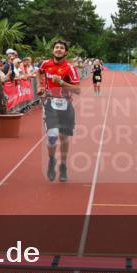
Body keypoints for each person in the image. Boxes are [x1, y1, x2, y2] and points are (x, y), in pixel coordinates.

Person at [36, 40, 81, 183]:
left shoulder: (70, 68)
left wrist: (62, 82)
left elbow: (78, 90)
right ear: (53, 50)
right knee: (52, 137)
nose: (59, 49)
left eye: (62, 48)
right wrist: (39, 86)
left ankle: (63, 166)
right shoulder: (45, 64)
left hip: (66, 105)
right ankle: (51, 161)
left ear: (66, 52)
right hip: (50, 104)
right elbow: (38, 72)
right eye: (56, 47)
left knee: (64, 138)